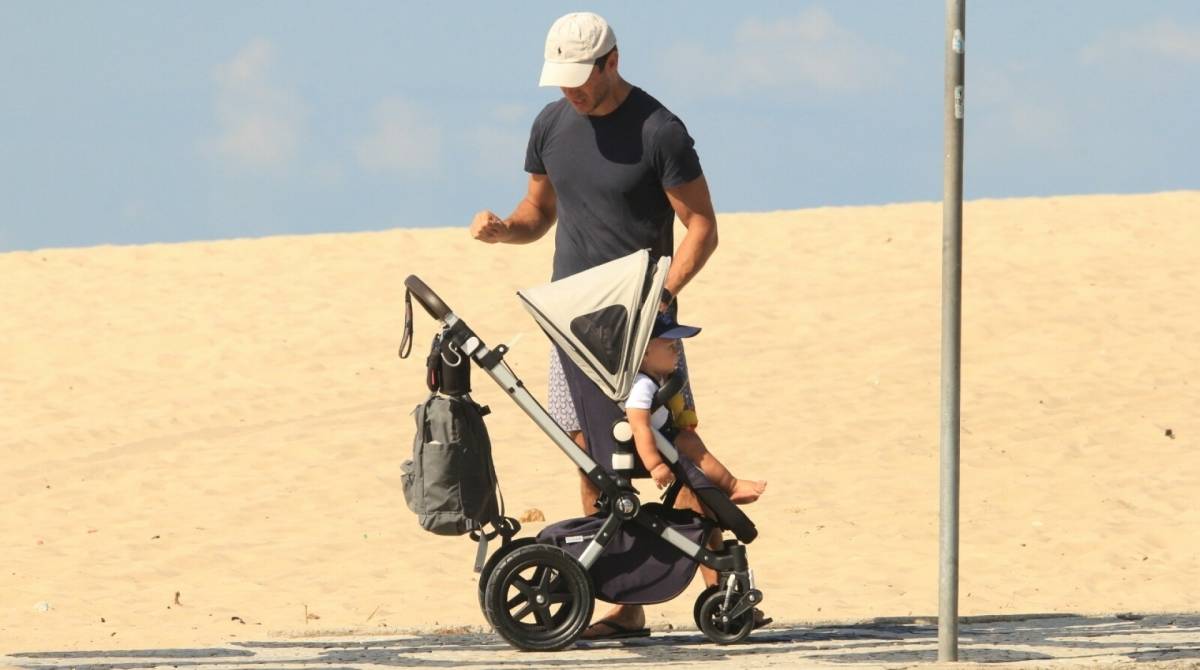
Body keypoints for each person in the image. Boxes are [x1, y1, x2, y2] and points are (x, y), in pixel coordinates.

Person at [469, 11, 768, 639]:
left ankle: (722, 593)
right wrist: (506, 231)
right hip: (569, 324)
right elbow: (537, 211)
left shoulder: (660, 130)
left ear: (612, 61)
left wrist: (664, 295)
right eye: (562, 80)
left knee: (669, 448)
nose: (570, 91)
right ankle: (624, 605)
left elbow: (702, 227)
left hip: (643, 328)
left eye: (581, 78)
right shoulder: (551, 123)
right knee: (589, 458)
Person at [631, 314, 767, 505]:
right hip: (655, 442)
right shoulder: (641, 386)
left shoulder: (658, 376)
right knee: (693, 447)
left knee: (693, 444)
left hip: (666, 433)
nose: (676, 353)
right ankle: (731, 485)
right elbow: (639, 426)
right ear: (645, 354)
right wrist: (654, 464)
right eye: (670, 347)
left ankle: (730, 485)